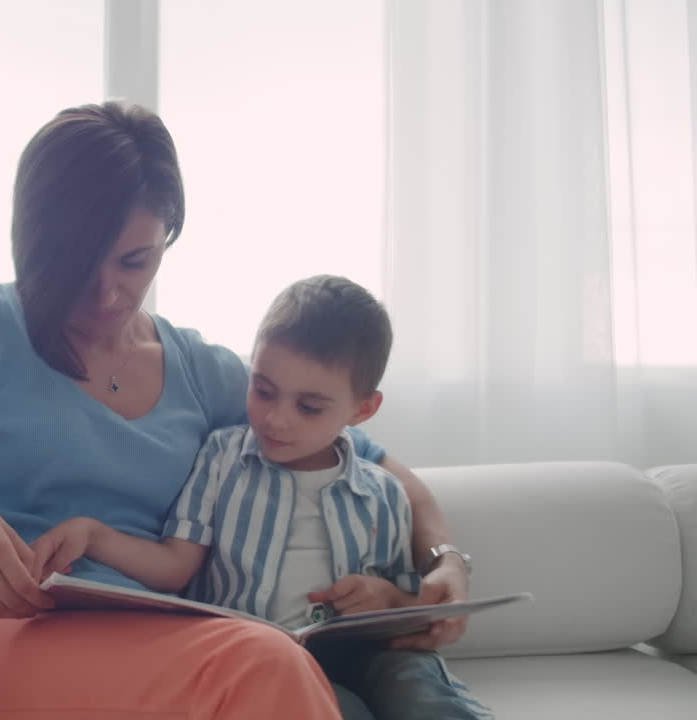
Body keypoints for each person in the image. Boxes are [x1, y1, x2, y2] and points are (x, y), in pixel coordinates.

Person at [0, 100, 472, 720]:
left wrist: (444, 563)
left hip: (161, 639)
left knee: (270, 663)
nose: (107, 293)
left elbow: (376, 462)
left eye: (134, 262)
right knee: (265, 668)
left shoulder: (206, 374)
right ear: (34, 240)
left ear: (167, 240)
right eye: (80, 262)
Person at [29, 275, 492, 719]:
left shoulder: (384, 493)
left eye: (308, 407)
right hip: (266, 660)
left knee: (417, 689)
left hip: (368, 654)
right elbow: (174, 566)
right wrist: (94, 536)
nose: (276, 419)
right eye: (263, 390)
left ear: (363, 409)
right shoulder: (221, 458)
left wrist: (389, 599)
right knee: (326, 707)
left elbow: (414, 611)